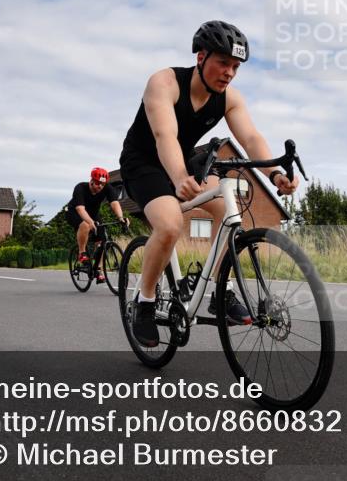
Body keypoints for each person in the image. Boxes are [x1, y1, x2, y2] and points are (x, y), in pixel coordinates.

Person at [119, 21, 298, 347]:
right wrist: (178, 179)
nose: (229, 72)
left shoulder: (229, 98)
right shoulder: (165, 82)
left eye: (236, 66)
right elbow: (164, 135)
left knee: (229, 212)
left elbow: (251, 137)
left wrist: (275, 175)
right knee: (171, 223)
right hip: (143, 161)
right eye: (223, 62)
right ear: (201, 57)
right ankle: (143, 302)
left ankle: (221, 291)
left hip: (184, 159)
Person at [66, 167, 128, 284]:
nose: (100, 186)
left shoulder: (107, 188)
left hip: (94, 214)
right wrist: (90, 222)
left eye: (102, 184)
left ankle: (98, 269)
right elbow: (80, 209)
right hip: (74, 212)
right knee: (85, 225)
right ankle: (82, 253)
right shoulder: (80, 188)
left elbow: (115, 203)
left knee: (102, 240)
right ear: (92, 181)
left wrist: (121, 218)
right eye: (98, 183)